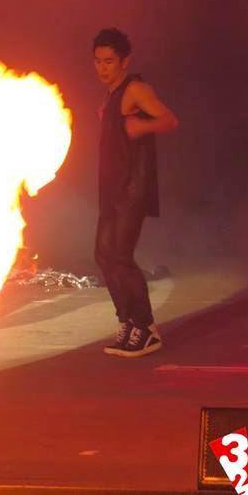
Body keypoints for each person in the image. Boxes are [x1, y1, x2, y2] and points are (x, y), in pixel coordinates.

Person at [93, 28, 178, 357]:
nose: (102, 68)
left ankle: (146, 329)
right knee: (103, 256)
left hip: (133, 187)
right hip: (112, 187)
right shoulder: (111, 94)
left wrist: (141, 126)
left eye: (109, 61)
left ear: (124, 61)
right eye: (98, 61)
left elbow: (169, 120)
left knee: (120, 256)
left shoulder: (135, 89)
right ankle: (128, 321)